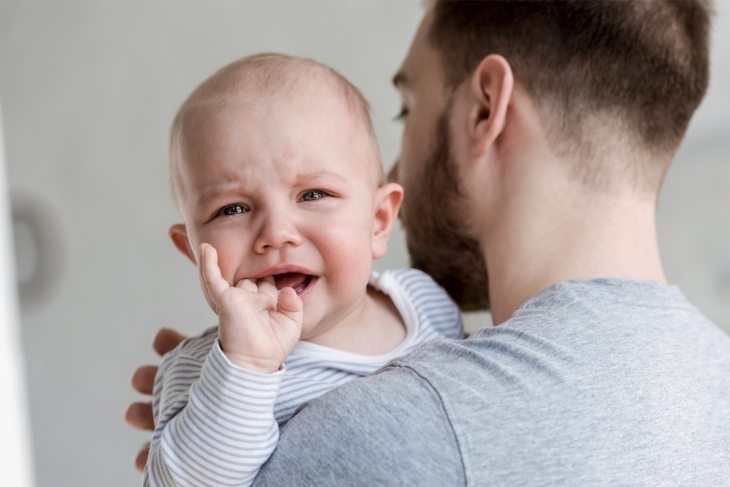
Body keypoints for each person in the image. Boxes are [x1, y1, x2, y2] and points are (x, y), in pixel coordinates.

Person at [128, 1, 730, 484]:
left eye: (405, 107)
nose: (398, 164)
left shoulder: (398, 430)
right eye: (233, 208)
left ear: (485, 108)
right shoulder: (715, 381)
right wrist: (227, 389)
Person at [141, 53, 463, 487]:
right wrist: (247, 366)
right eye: (232, 209)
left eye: (313, 194)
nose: (276, 233)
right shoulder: (204, 371)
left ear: (379, 221)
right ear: (193, 253)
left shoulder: (426, 304)